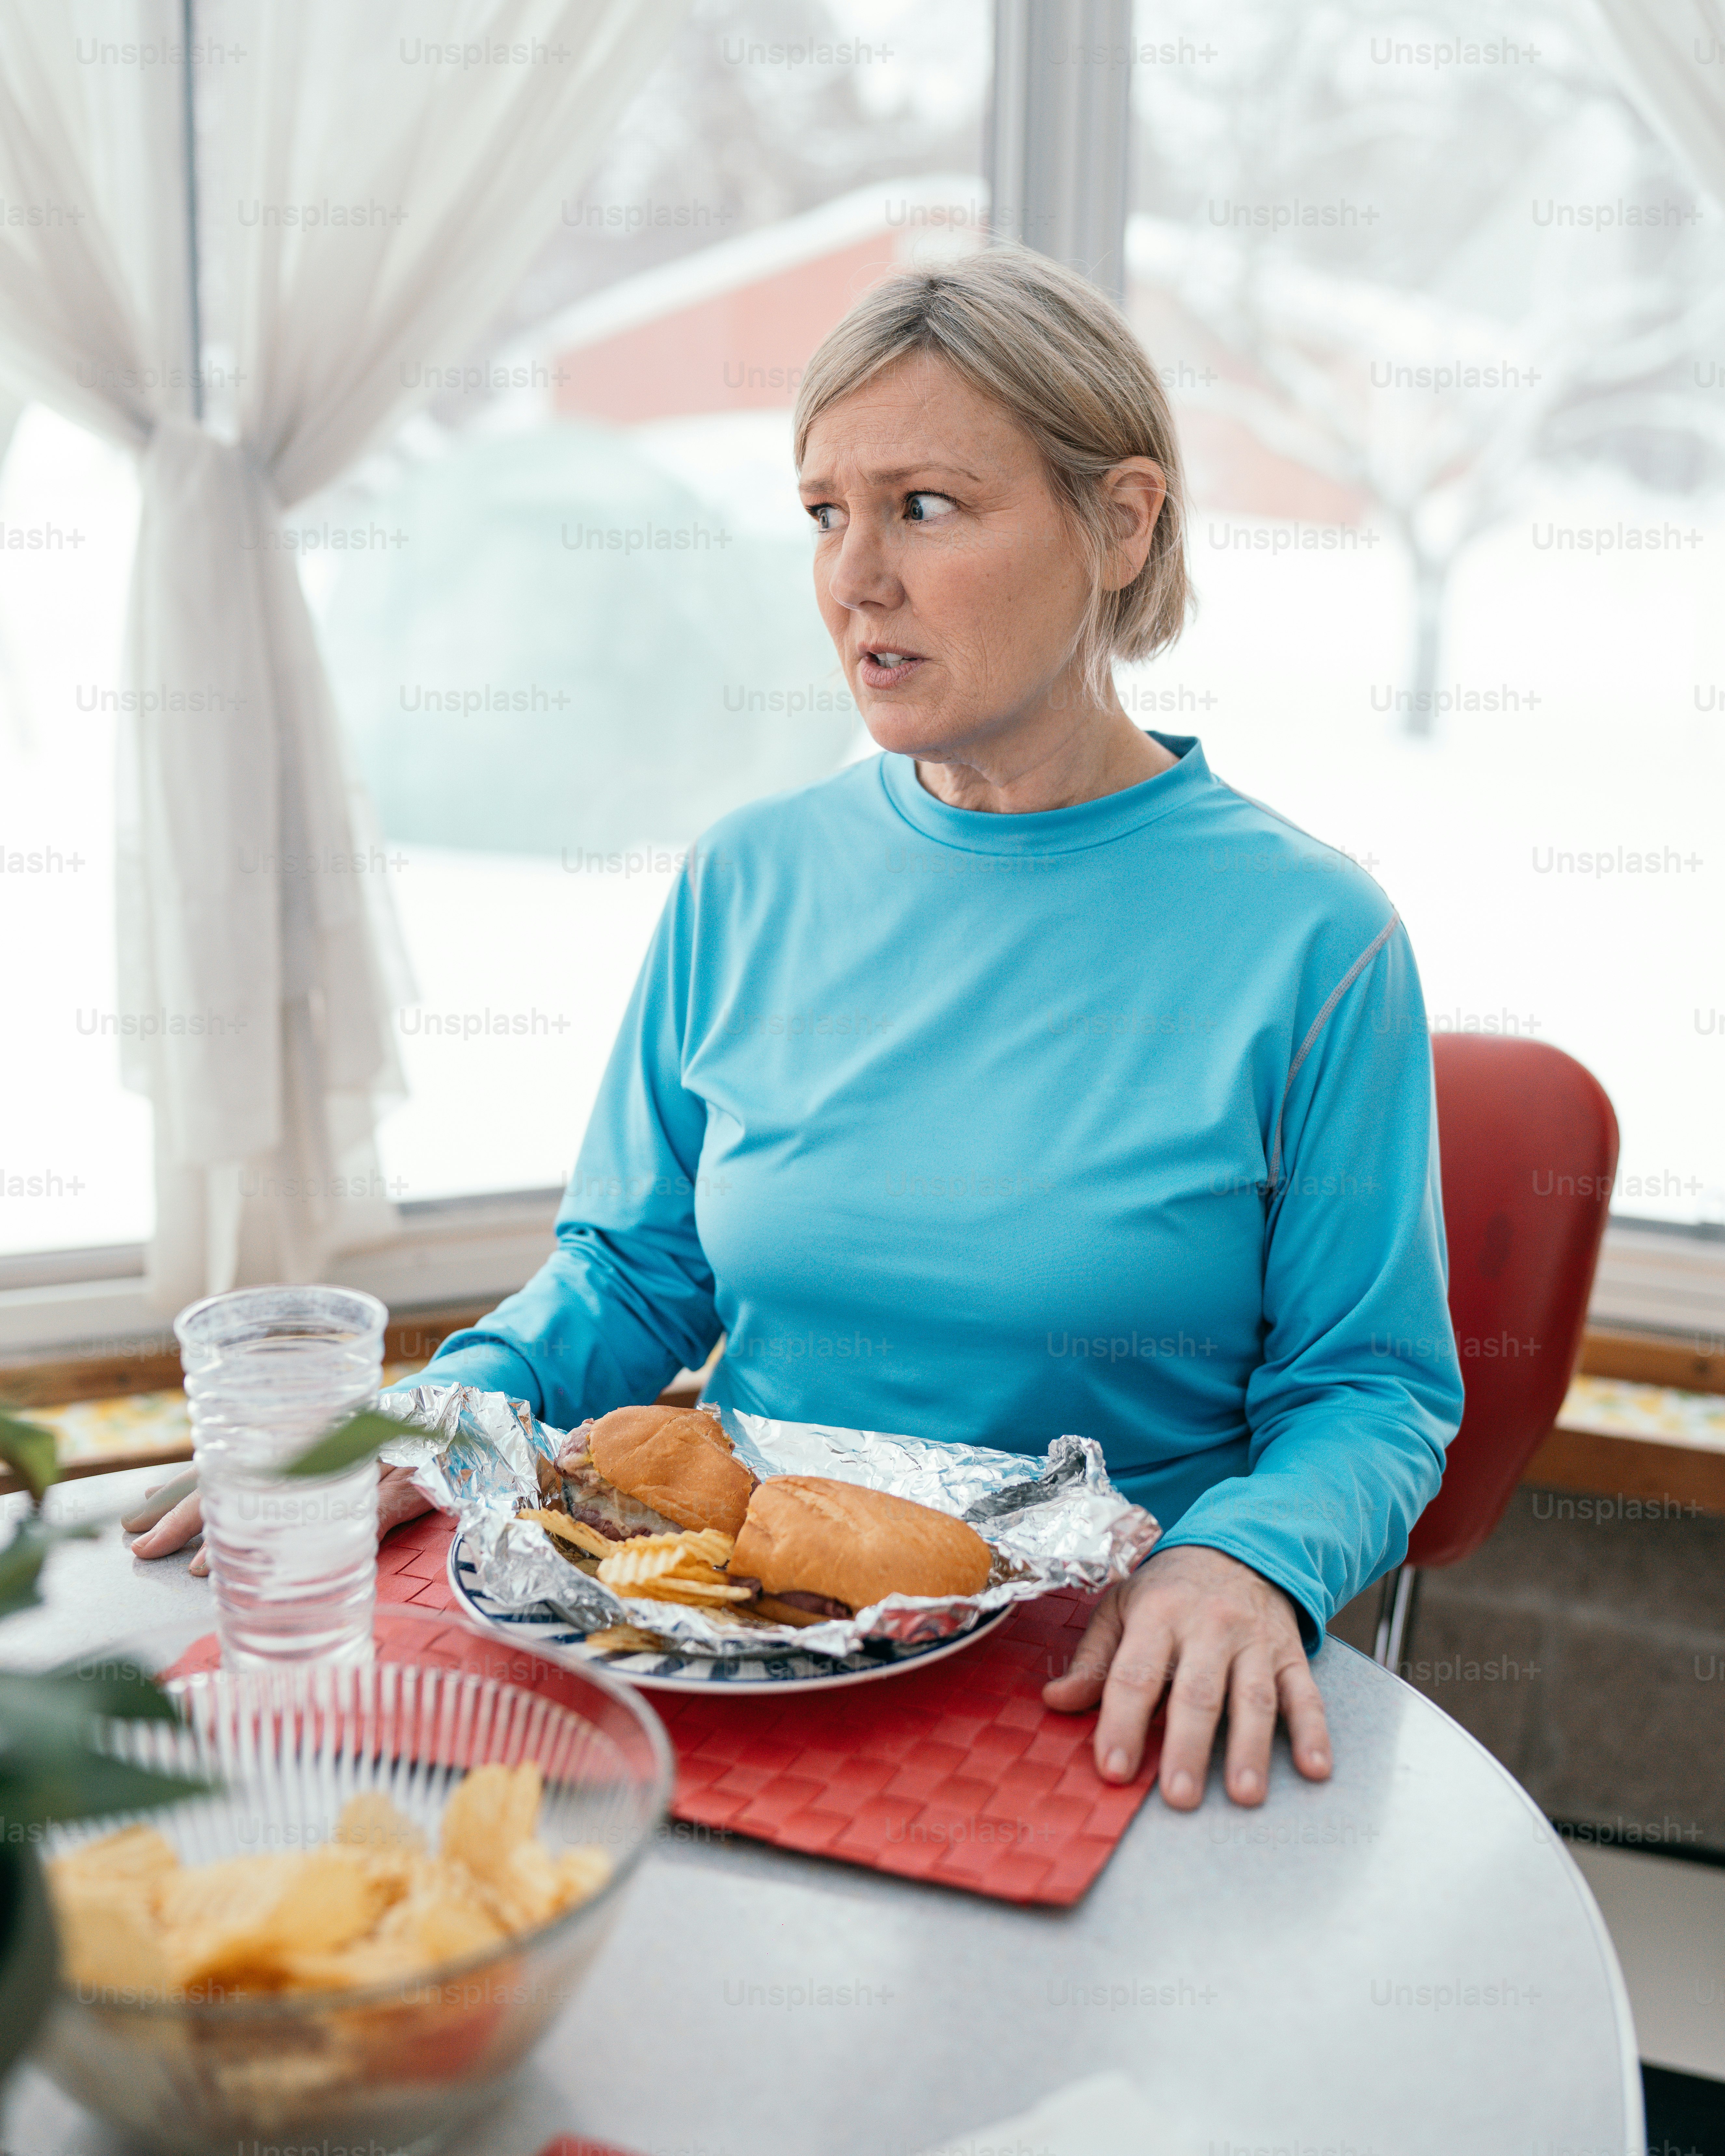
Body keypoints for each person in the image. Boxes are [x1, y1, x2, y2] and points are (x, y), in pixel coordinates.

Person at [134, 246, 1462, 1807]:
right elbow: (633, 1271)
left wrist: (1246, 1560)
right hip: (732, 1654)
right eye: (827, 513)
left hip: (1089, 1685)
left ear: (1121, 521)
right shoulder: (747, 879)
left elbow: (1368, 1389)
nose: (855, 578)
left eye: (926, 506)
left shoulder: (1313, 943)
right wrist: (433, 1419)